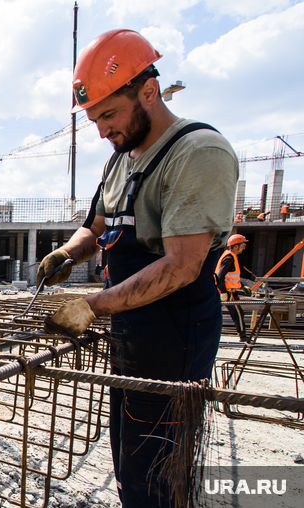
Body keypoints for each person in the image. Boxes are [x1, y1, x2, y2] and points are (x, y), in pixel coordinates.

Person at [36, 30, 238, 507]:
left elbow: (181, 266)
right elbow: (98, 228)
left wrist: (92, 304)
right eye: (94, 120)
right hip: (131, 327)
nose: (102, 130)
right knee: (129, 456)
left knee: (159, 470)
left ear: (149, 91)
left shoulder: (197, 152)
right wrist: (67, 253)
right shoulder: (120, 159)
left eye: (108, 114)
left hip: (174, 333)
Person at [215, 234, 251, 342]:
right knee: (237, 314)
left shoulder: (231, 257)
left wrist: (243, 287)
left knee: (237, 313)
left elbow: (231, 278)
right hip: (228, 292)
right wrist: (224, 292)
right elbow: (220, 277)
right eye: (242, 245)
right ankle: (243, 337)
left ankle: (243, 336)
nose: (244, 248)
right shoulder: (229, 258)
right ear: (236, 246)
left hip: (230, 291)